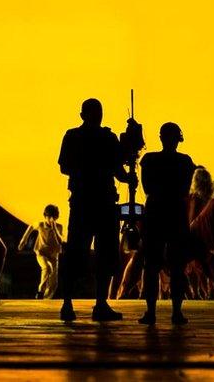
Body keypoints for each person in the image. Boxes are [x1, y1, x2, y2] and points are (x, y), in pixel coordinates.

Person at [57, 98, 137, 322]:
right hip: (92, 201)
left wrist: (126, 173)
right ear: (84, 115)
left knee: (101, 254)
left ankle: (86, 304)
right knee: (81, 253)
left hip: (93, 202)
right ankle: (76, 303)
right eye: (95, 112)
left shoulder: (91, 137)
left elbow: (117, 169)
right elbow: (66, 166)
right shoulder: (95, 137)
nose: (98, 116)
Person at [137, 122, 196, 325]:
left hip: (155, 214)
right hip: (176, 214)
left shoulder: (149, 160)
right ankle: (176, 312)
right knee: (178, 266)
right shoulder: (185, 162)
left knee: (151, 266)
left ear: (161, 137)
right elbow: (185, 189)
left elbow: (146, 188)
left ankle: (151, 312)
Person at [18, 204, 63, 299]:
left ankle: (45, 299)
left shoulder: (58, 227)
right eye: (50, 217)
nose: (52, 220)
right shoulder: (40, 225)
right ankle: (40, 292)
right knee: (47, 267)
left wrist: (54, 229)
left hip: (54, 255)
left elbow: (60, 241)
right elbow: (31, 226)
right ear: (45, 217)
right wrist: (24, 240)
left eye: (54, 218)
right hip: (41, 253)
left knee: (53, 284)